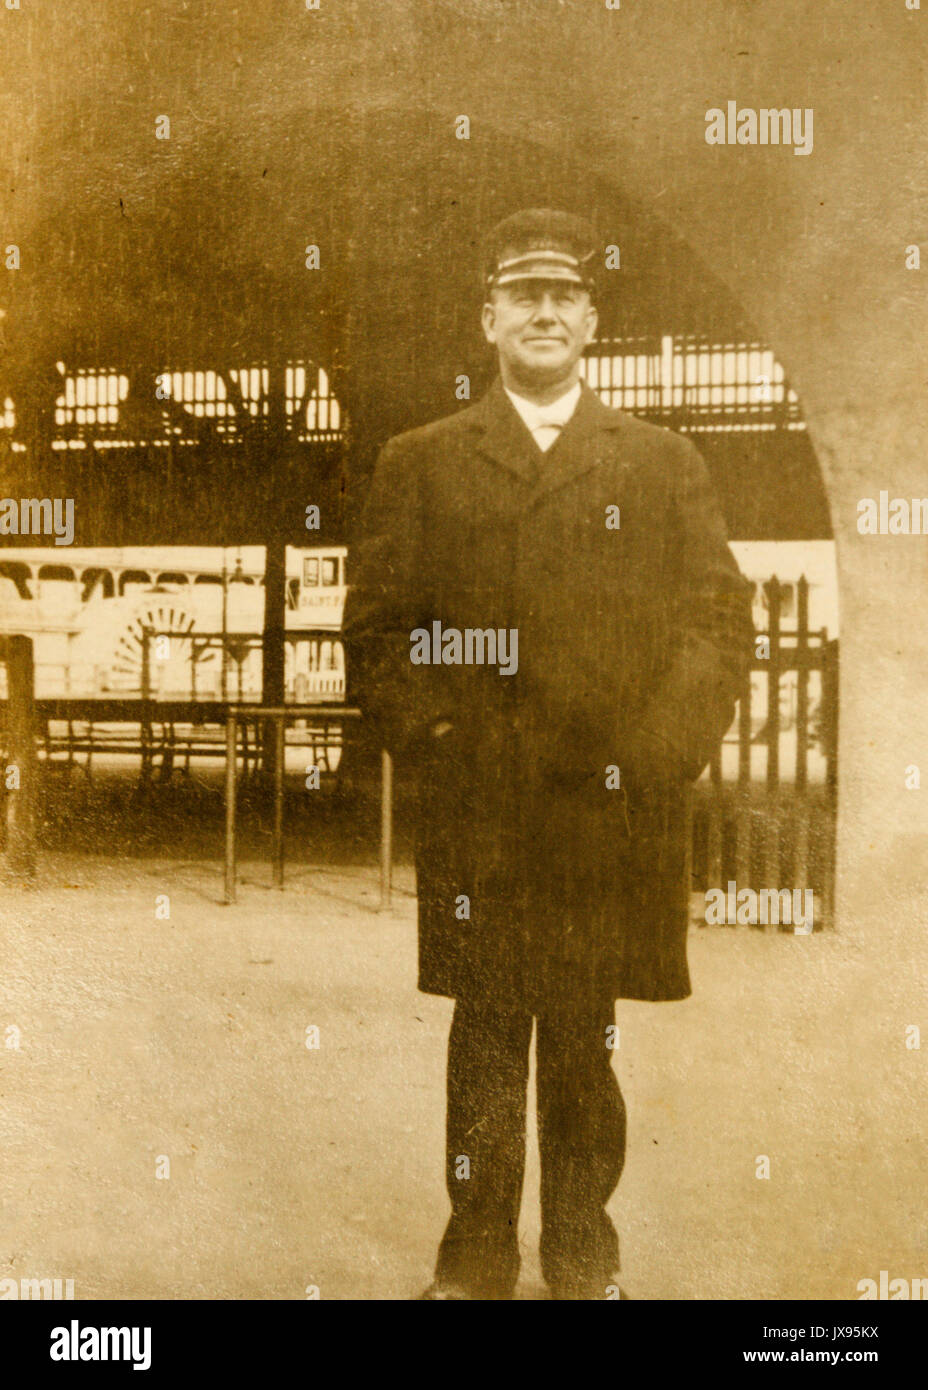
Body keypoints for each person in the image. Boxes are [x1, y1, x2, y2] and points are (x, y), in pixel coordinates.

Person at [342, 208, 754, 1300]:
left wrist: (656, 750)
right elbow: (380, 628)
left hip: (607, 801)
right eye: (520, 294)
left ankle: (583, 1260)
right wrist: (438, 731)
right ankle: (473, 1263)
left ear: (591, 321)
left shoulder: (663, 463)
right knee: (485, 1033)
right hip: (483, 804)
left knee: (583, 1036)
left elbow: (717, 619)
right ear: (488, 320)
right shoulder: (420, 459)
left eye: (562, 295)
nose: (542, 311)